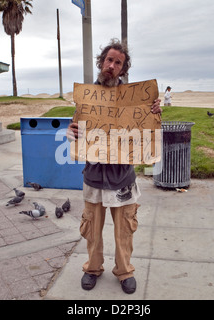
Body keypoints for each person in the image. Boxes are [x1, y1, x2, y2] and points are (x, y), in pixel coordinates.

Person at [67, 38, 162, 294]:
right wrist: (71, 132)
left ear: (123, 69)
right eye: (109, 60)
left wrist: (153, 112)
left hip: (123, 180)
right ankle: (92, 268)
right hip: (94, 177)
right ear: (101, 62)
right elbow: (74, 134)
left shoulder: (135, 101)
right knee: (92, 231)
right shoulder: (86, 99)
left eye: (118, 63)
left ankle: (124, 271)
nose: (112, 65)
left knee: (124, 231)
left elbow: (148, 130)